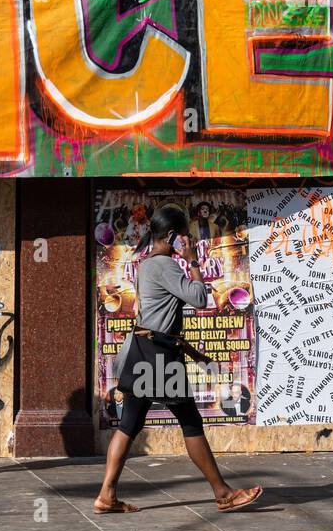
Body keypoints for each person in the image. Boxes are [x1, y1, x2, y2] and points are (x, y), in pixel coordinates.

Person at [94, 205, 262, 514]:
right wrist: (193, 262)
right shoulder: (166, 265)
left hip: (143, 350)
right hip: (159, 358)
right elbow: (200, 298)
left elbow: (158, 317)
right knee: (190, 421)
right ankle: (223, 493)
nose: (188, 241)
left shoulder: (146, 265)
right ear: (171, 236)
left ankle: (107, 495)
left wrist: (194, 354)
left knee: (129, 423)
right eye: (185, 235)